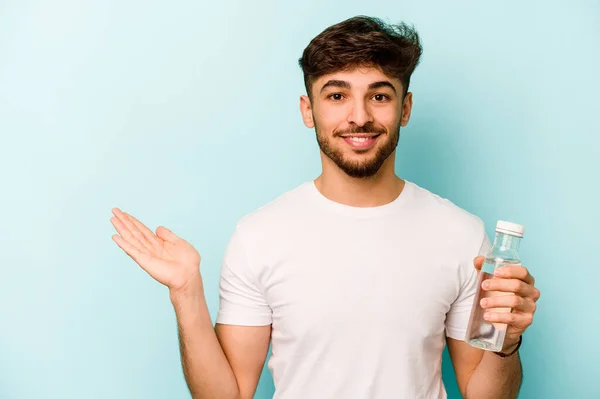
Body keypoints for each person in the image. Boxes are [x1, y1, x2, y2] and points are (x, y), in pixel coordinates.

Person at [110, 15, 540, 399]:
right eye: (336, 96)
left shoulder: (461, 235)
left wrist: (507, 340)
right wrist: (186, 292)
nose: (358, 116)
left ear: (405, 108)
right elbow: (229, 395)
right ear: (308, 110)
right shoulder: (259, 236)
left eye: (379, 96)